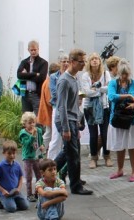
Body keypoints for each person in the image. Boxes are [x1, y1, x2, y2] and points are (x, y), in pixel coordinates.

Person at [54, 49, 93, 195]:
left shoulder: (75, 78)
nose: (84, 64)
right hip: (65, 120)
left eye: (84, 61)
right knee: (73, 154)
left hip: (72, 119)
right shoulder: (64, 80)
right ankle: (76, 186)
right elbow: (62, 106)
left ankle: (47, 172)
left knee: (68, 152)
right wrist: (66, 128)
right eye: (81, 62)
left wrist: (77, 121)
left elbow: (75, 103)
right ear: (72, 62)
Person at [107, 58, 134, 183]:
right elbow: (111, 96)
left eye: (126, 74)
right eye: (122, 74)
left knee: (132, 146)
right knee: (119, 146)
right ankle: (120, 169)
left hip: (133, 120)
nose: (124, 76)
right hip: (118, 119)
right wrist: (129, 96)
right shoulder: (113, 84)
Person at [79, 52, 113, 169]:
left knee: (105, 133)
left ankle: (107, 156)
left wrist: (95, 88)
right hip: (89, 107)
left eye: (97, 59)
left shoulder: (105, 73)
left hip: (104, 106)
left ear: (100, 61)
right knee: (93, 135)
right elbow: (86, 92)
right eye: (92, 59)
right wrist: (100, 90)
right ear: (89, 62)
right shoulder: (85, 75)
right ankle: (94, 158)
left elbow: (109, 88)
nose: (94, 61)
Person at [0, 140, 29, 213]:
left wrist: (18, 188)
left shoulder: (17, 165)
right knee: (12, 209)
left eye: (13, 153)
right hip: (6, 193)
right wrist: (2, 190)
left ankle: (13, 200)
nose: (12, 156)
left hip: (15, 192)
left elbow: (21, 177)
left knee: (25, 206)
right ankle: (1, 201)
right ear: (4, 153)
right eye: (9, 153)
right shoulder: (0, 166)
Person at [47, 55, 69, 160]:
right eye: (63, 61)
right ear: (59, 62)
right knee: (56, 138)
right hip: (58, 108)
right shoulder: (53, 77)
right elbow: (54, 93)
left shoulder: (72, 76)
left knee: (67, 139)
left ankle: (62, 165)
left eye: (67, 61)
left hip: (69, 109)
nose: (65, 63)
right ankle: (50, 162)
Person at [17, 40, 48, 114]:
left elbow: (41, 78)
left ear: (38, 49)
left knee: (38, 118)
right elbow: (19, 75)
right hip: (25, 93)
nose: (33, 52)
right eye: (31, 50)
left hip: (37, 94)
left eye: (35, 50)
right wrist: (34, 74)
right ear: (28, 50)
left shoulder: (43, 63)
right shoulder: (24, 62)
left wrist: (26, 74)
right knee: (26, 118)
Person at [19, 112, 44, 202]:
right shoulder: (23, 133)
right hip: (28, 157)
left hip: (37, 156)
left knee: (39, 175)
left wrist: (42, 145)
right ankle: (29, 194)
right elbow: (26, 144)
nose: (32, 125)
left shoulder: (39, 131)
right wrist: (32, 136)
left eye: (33, 122)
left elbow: (40, 141)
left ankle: (38, 192)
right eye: (29, 123)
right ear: (24, 123)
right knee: (28, 177)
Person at [38, 62, 60, 156]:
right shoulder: (49, 83)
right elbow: (49, 100)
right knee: (48, 134)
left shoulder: (48, 81)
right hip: (49, 113)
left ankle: (40, 152)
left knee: (49, 134)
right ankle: (38, 152)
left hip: (48, 113)